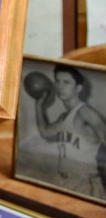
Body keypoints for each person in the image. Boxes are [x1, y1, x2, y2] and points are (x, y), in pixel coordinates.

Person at [34, 64, 106, 199]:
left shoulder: (86, 113)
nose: (60, 86)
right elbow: (45, 133)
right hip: (62, 181)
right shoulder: (63, 117)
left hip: (84, 184)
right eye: (57, 81)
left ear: (78, 88)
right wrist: (39, 106)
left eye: (66, 82)